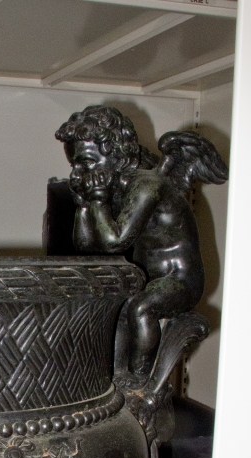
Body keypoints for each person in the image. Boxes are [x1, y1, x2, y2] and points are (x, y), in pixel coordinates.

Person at [56, 106, 228, 380]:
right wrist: (84, 205)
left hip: (179, 279)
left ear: (115, 156)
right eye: (74, 165)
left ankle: (139, 380)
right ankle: (115, 377)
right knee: (117, 308)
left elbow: (115, 242)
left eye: (86, 163)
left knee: (141, 308)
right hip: (146, 278)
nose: (78, 173)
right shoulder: (117, 188)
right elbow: (87, 247)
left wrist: (97, 200)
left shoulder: (146, 186)